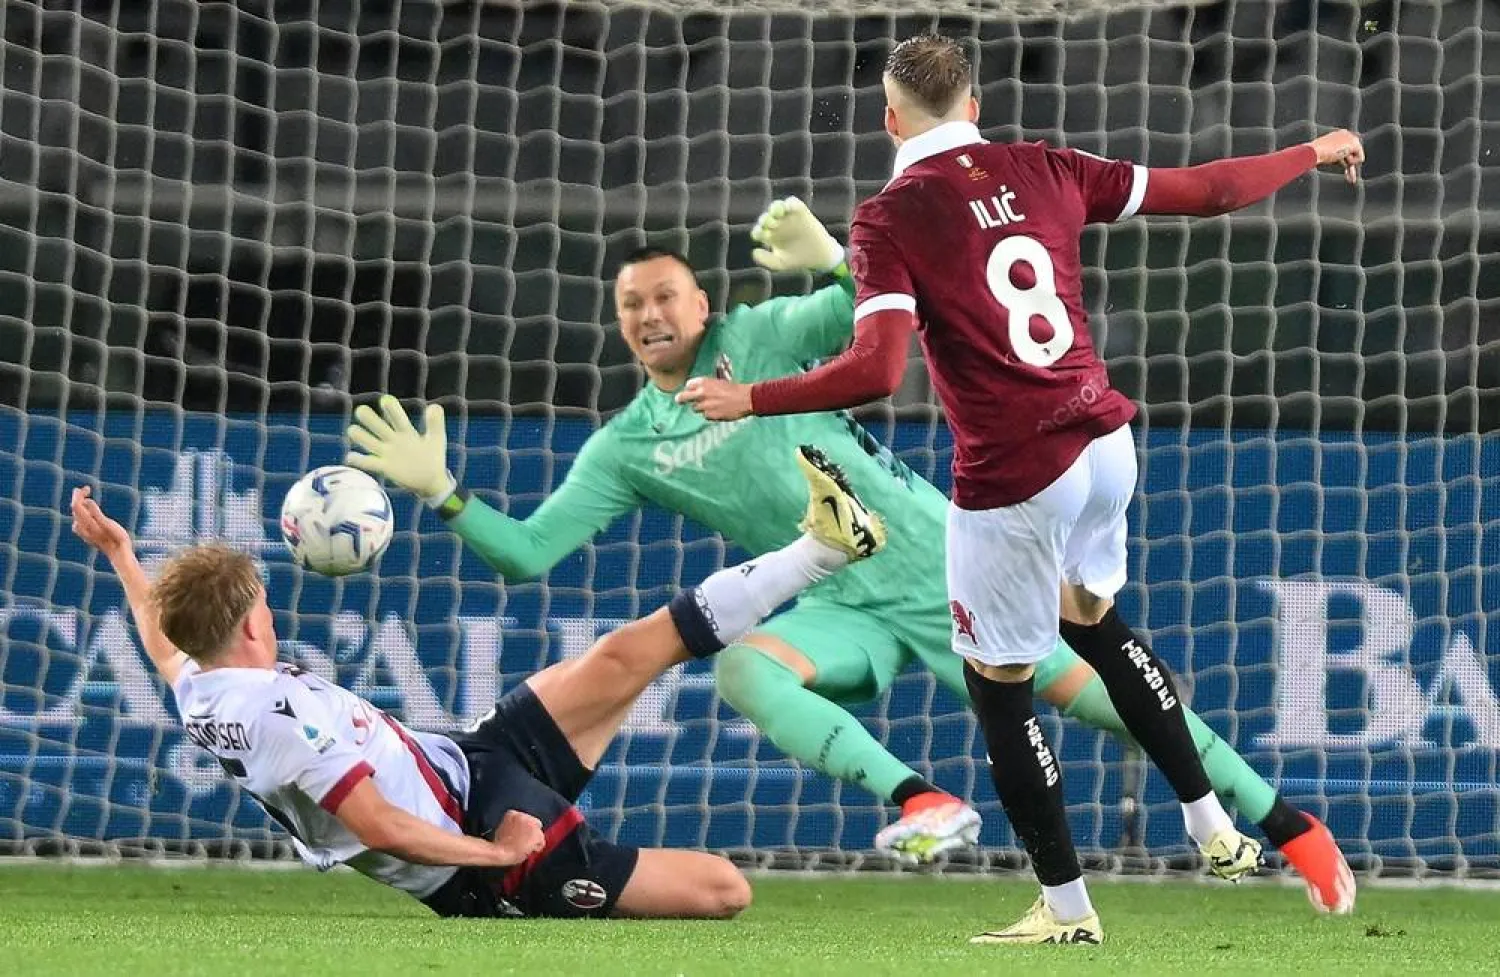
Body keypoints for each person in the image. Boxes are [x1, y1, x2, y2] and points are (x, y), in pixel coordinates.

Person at [344, 201, 1351, 900]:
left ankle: (1293, 829)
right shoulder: (626, 445)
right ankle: (924, 798)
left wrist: (832, 256)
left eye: (665, 296)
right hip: (840, 595)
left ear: (703, 305)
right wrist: (444, 493)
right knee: (743, 666)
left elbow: (875, 310)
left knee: (1122, 707)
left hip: (947, 566)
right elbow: (528, 552)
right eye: (632, 306)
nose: (650, 315)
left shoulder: (762, 337)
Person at [678, 33, 1363, 943]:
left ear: (889, 120)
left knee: (1000, 686)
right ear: (974, 104)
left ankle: (1067, 908)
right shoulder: (1047, 166)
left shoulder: (891, 216)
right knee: (1093, 621)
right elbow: (1209, 191)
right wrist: (1311, 150)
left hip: (1015, 471)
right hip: (1105, 442)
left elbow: (877, 369)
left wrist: (751, 396)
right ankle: (1208, 817)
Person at [64, 443, 883, 919]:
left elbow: (160, 640)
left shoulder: (204, 684)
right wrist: (496, 852)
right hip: (475, 857)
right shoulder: (279, 718)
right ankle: (552, 884)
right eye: (265, 605)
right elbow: (383, 825)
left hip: (467, 761)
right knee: (725, 889)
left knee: (624, 652)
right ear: (251, 626)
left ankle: (824, 547)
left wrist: (122, 554)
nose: (271, 614)